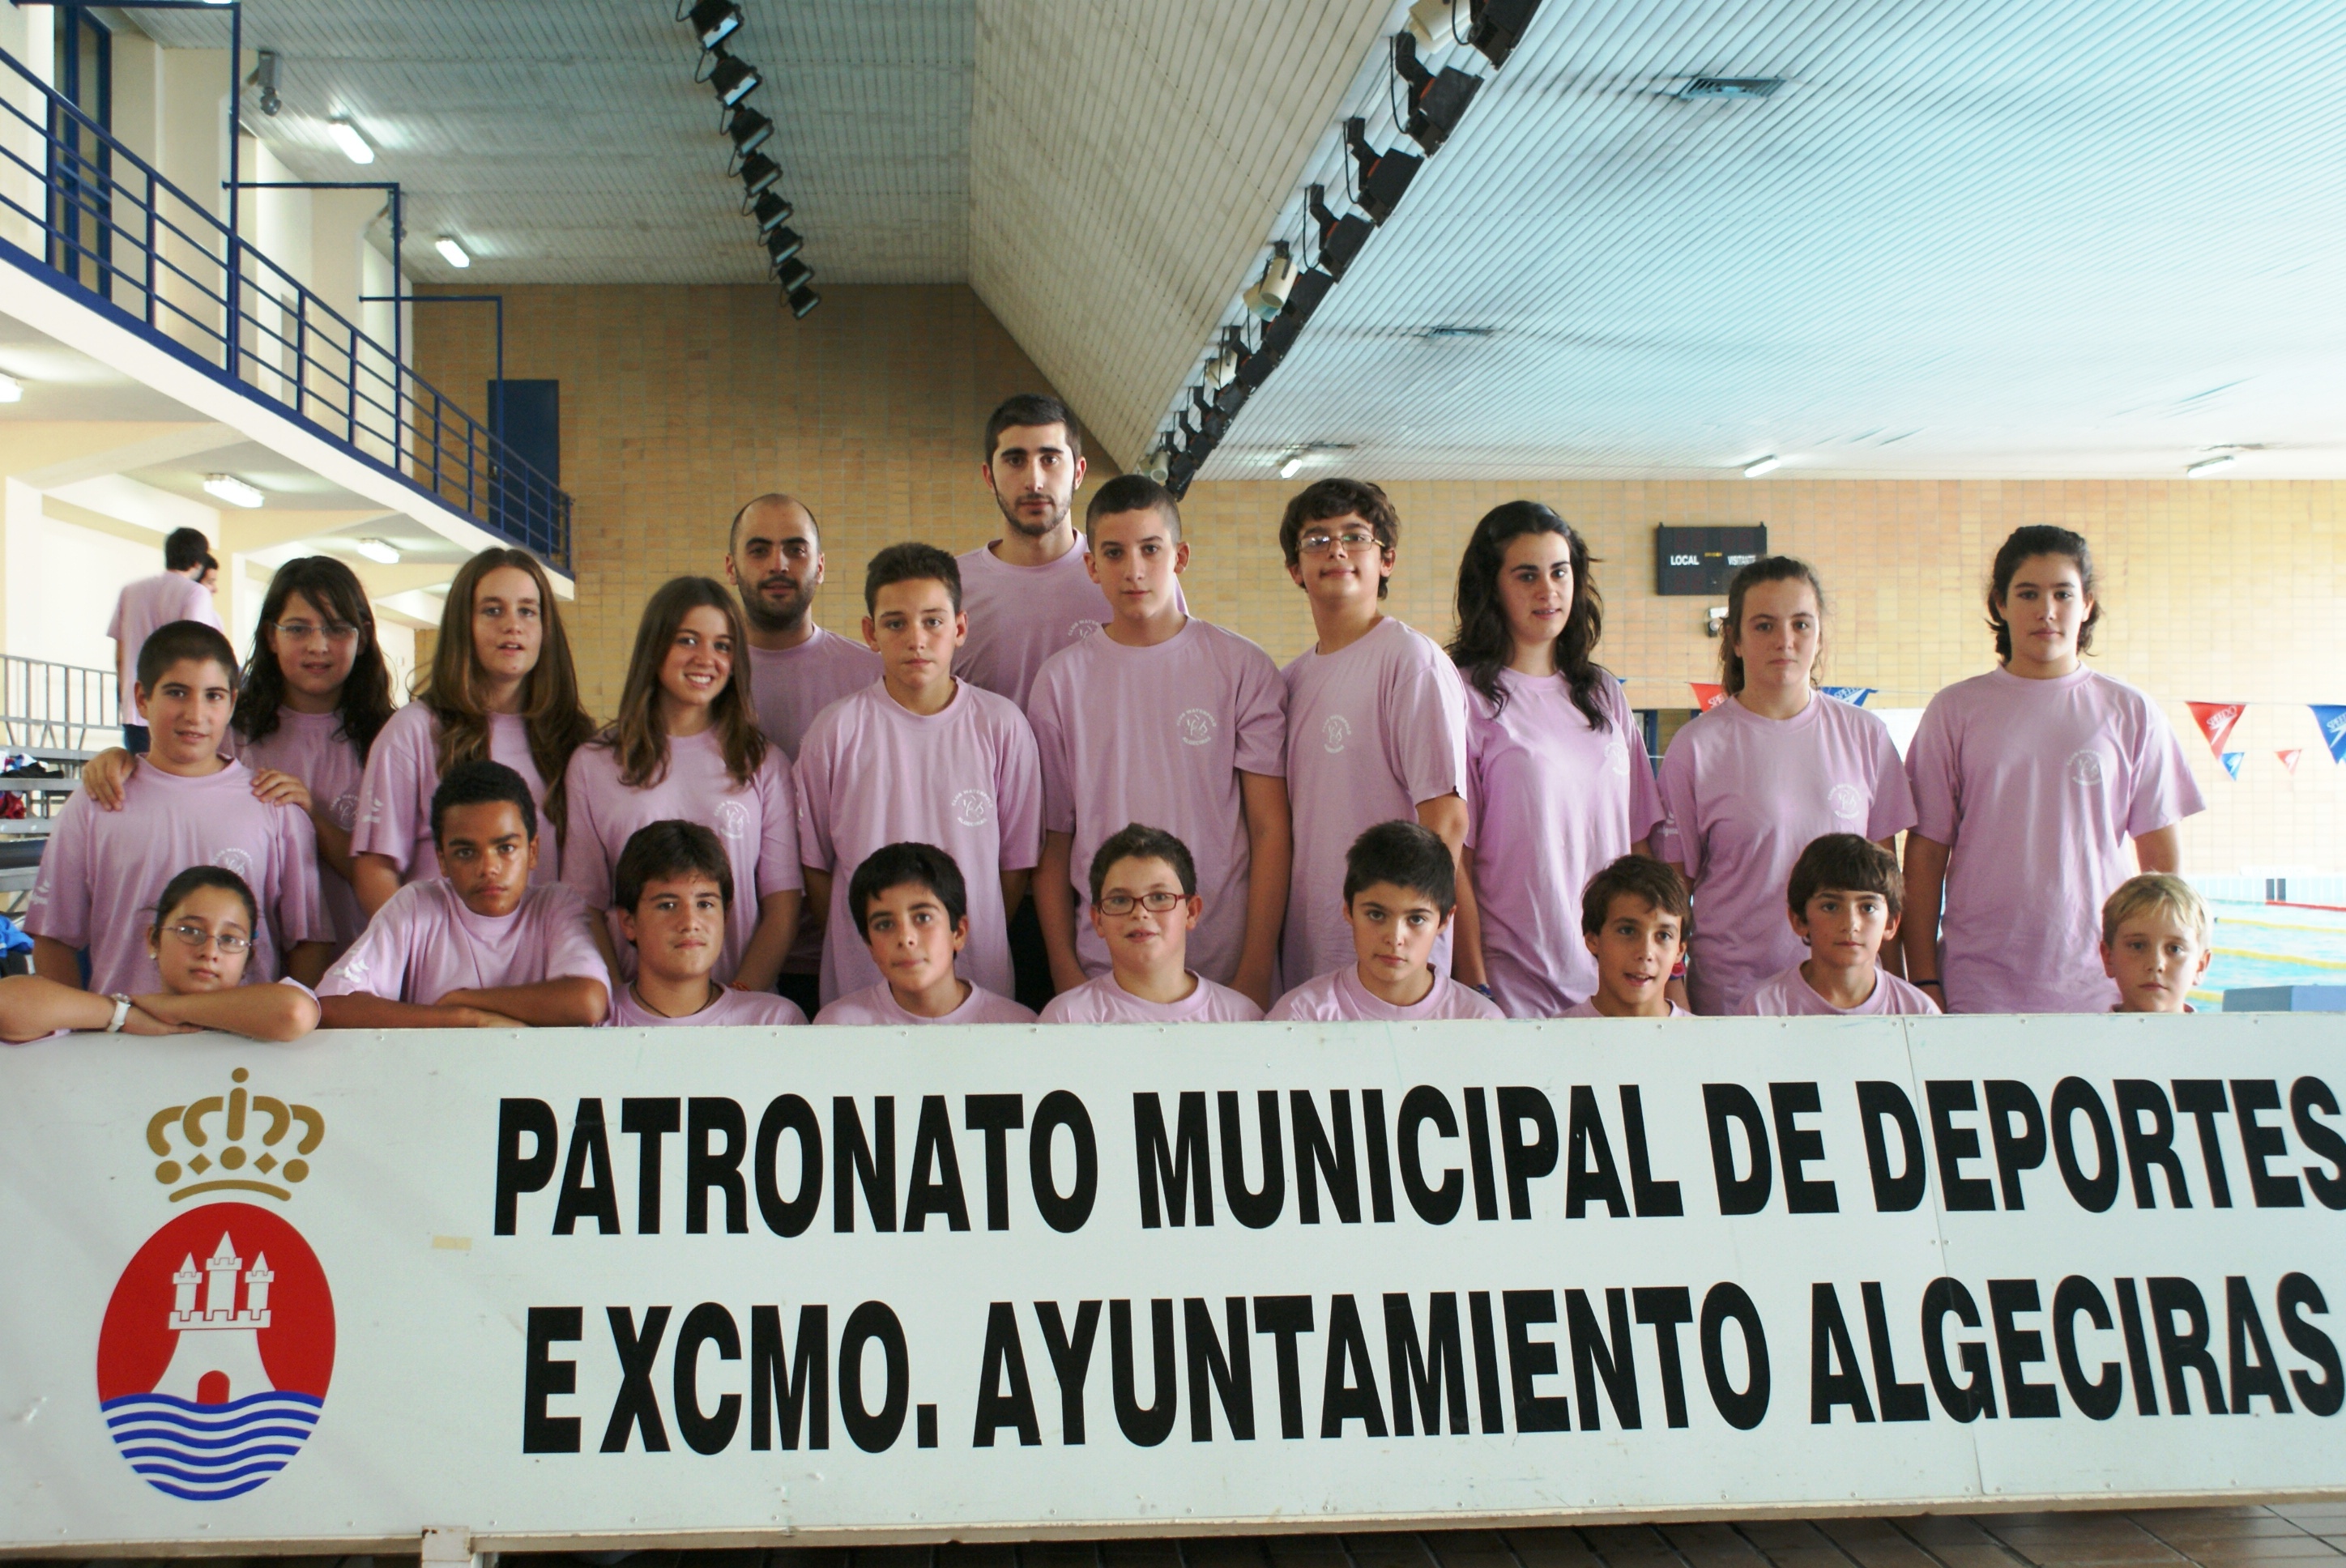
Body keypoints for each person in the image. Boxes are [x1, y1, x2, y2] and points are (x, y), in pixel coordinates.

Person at [1903, 526, 2205, 1014]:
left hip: (2101, 984)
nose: (2046, 610)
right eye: (2028, 594)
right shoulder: (1955, 711)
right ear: (1999, 604)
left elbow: (2161, 865)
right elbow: (1925, 856)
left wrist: (2164, 981)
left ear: (2087, 605)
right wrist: (1923, 978)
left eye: (2063, 594)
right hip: (1977, 984)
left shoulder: (2130, 712)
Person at [1028, 475, 1289, 1007]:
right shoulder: (1060, 681)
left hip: (1224, 963)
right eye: (1114, 553)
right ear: (1091, 565)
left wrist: (1256, 970)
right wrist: (1063, 969)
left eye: (1150, 549)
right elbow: (1054, 842)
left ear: (1180, 557)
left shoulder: (1242, 667)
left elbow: (1270, 829)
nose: (1134, 569)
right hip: (1104, 970)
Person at [77, 556, 397, 957]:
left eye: (336, 628)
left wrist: (311, 815)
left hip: (365, 960)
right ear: (271, 636)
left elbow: (399, 883)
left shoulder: (391, 741)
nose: (318, 645)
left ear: (362, 637)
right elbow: (174, 796)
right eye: (298, 628)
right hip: (239, 966)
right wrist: (120, 760)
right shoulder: (229, 730)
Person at [1655, 557, 1913, 1016]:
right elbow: (1672, 894)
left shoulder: (1865, 736)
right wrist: (1673, 993)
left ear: (1820, 635)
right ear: (1734, 639)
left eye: (1801, 624)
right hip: (1732, 1000)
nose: (1785, 640)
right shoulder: (1696, 747)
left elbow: (1884, 885)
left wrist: (1898, 992)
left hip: (1849, 1001)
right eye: (1764, 626)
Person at [795, 544, 1042, 1006]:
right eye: (895, 623)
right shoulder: (835, 731)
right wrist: (864, 939)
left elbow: (1015, 866)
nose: (916, 639)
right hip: (861, 988)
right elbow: (816, 866)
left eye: (933, 621)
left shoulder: (1002, 726)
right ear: (870, 632)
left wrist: (968, 934)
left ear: (960, 628)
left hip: (978, 981)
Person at [27, 620, 329, 996]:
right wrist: (79, 1025)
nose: (195, 714)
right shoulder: (97, 802)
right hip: (124, 1028)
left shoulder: (274, 806)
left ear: (232, 702)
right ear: (142, 699)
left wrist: (284, 1023)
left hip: (242, 1031)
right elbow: (53, 939)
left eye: (213, 695)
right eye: (177, 692)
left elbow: (308, 942)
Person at [1448, 501, 1661, 1016]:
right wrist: (1475, 983)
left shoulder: (1604, 693)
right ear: (1492, 587)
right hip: (1514, 985)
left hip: (1614, 982)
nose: (1548, 590)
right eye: (1527, 575)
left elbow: (1638, 844)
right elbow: (1455, 858)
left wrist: (1662, 970)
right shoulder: (1463, 696)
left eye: (1560, 572)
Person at [1278, 477, 1473, 988]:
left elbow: (1446, 820)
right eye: (1317, 539)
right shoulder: (1291, 681)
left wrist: (1407, 936)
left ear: (1386, 560)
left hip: (1393, 961)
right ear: (1295, 569)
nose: (1337, 549)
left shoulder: (1410, 662)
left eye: (1355, 536)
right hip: (1313, 946)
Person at [561, 577, 801, 991]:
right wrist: (618, 1007)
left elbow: (782, 904)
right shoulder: (593, 763)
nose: (706, 659)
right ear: (655, 648)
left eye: (722, 646)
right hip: (634, 1008)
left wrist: (739, 1004)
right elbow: (586, 904)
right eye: (688, 640)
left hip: (740, 1003)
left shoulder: (763, 763)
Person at [351, 547, 594, 915]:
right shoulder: (414, 731)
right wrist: (415, 948)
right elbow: (375, 869)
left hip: (546, 946)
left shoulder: (573, 738)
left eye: (527, 611)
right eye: (493, 610)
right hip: (442, 950)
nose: (512, 625)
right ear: (463, 625)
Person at [317, 761, 608, 1029]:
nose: (488, 868)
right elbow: (332, 1005)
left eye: (506, 848)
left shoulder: (555, 906)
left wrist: (463, 998)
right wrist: (465, 1018)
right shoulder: (417, 905)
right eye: (466, 852)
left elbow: (588, 1002)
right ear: (442, 860)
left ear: (532, 852)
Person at [0, 867, 318, 1042]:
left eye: (230, 939)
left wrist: (171, 1008)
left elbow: (294, 1012)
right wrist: (124, 1015)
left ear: (249, 957)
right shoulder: (116, 1017)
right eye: (190, 931)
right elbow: (7, 1004)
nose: (209, 951)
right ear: (153, 940)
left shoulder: (264, 1021)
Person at [1267, 820, 1501, 1022]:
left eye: (1416, 919)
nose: (1395, 938)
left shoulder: (1480, 1023)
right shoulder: (1301, 1016)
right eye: (1376, 915)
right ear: (1348, 910)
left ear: (1444, 920)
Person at [953, 394, 1098, 712]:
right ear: (989, 477)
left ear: (1078, 472)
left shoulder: (1125, 576)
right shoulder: (949, 587)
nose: (1034, 481)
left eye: (1050, 459)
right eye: (1015, 461)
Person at [1039, 824, 1263, 1023]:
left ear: (1191, 911)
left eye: (1159, 897)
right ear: (1098, 919)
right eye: (1120, 900)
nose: (1140, 913)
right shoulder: (1067, 1019)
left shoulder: (1240, 1017)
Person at [604, 821, 808, 1027]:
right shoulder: (599, 1021)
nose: (690, 923)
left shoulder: (774, 1022)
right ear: (629, 922)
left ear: (725, 916)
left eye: (705, 904)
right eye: (667, 905)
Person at [725, 493, 880, 760]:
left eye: (796, 550)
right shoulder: (705, 675)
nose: (778, 565)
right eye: (759, 551)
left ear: (820, 567)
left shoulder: (875, 677)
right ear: (731, 568)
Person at [813, 842, 1038, 1025]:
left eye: (923, 918)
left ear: (958, 932)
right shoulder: (838, 1028)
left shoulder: (1017, 1026)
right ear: (869, 945)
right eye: (884, 924)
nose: (906, 938)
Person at [1738, 834, 1938, 1016]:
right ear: (1799, 920)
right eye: (1831, 907)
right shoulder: (1762, 1010)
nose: (1850, 924)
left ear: (1890, 923)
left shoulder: (1918, 1012)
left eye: (1868, 908)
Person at [107, 526, 221, 754]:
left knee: (140, 770)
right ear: (198, 562)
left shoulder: (130, 591)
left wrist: (125, 694)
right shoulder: (194, 593)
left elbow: (120, 653)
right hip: (177, 707)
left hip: (136, 704)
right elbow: (197, 649)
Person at [1563, 856, 1691, 1019]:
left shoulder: (1705, 1035)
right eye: (1628, 931)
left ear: (1679, 950)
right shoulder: (1552, 1033)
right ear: (1593, 940)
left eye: (1663, 935)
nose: (1645, 952)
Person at [2101, 872, 2212, 1014]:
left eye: (2175, 949)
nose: (2156, 964)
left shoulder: (2219, 1030)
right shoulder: (2085, 1029)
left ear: (2201, 966)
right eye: (2137, 946)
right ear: (2108, 957)